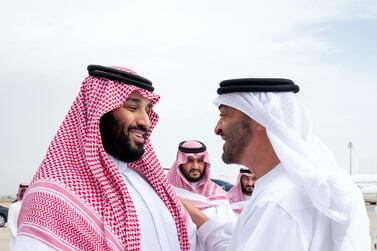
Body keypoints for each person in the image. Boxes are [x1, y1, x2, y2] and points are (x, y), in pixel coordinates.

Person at [15, 65, 196, 251]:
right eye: (132, 107)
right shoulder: (52, 197)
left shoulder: (152, 187)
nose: (146, 121)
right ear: (98, 111)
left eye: (147, 109)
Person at [181, 78, 370, 250]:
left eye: (225, 115)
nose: (218, 128)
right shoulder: (284, 187)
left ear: (258, 118)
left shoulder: (279, 202)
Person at [166, 140, 234, 220]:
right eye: (190, 161)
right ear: (180, 162)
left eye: (200, 161)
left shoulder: (216, 193)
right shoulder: (168, 190)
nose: (195, 166)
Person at [8, 183, 28, 250]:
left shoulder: (31, 206)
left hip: (27, 237)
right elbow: (10, 223)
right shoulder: (13, 206)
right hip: (16, 236)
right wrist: (17, 236)